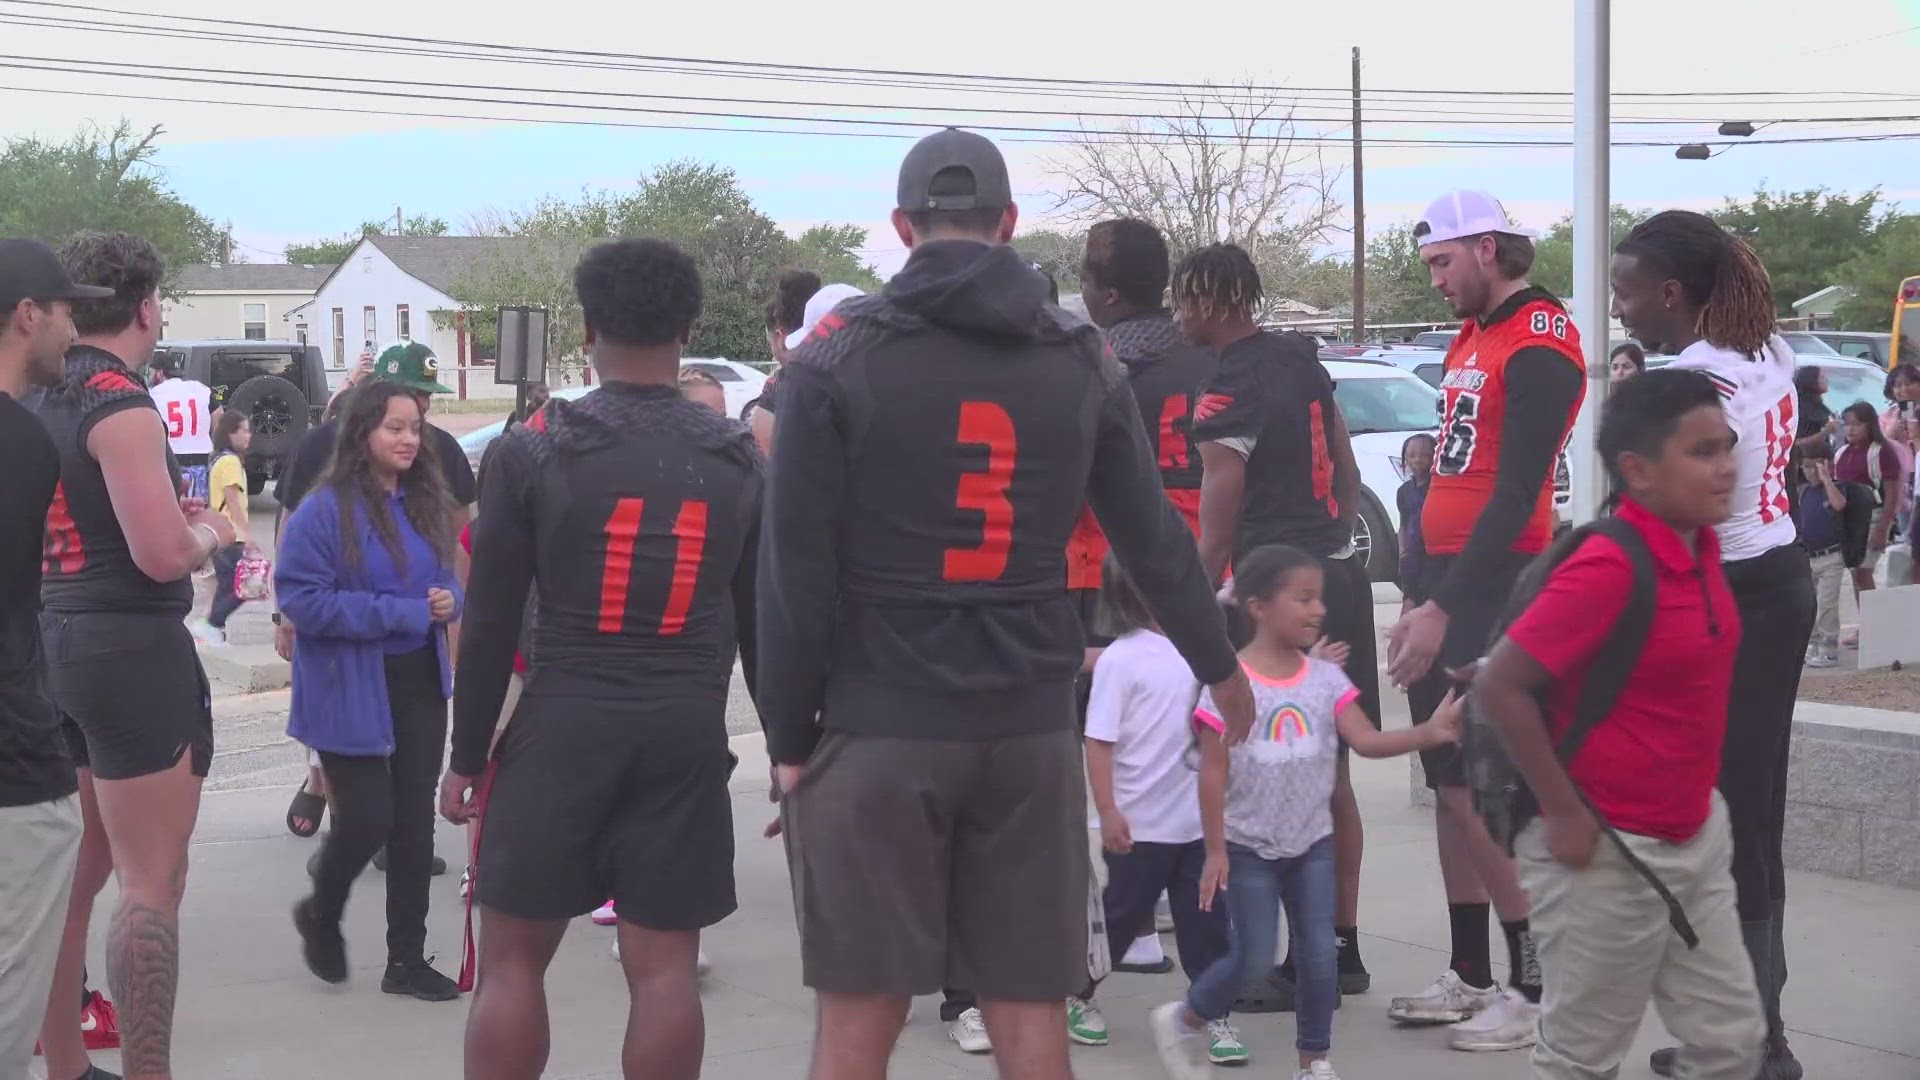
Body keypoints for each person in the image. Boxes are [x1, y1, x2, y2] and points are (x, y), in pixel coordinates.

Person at [757, 127, 1252, 1080]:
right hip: (1026, 728)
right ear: (1011, 223)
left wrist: (787, 738)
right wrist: (1218, 663)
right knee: (1031, 1016)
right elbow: (1151, 539)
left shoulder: (835, 361)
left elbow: (793, 573)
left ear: (903, 227)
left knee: (859, 1024)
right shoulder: (1078, 353)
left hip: (878, 721)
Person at [439, 239, 762, 1080]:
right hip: (684, 728)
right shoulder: (736, 459)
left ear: (586, 328)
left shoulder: (535, 449)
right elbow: (767, 622)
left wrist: (466, 756)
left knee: (513, 964)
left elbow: (492, 619)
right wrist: (796, 749)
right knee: (662, 974)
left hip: (562, 722)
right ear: (689, 328)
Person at [1473, 368, 1765, 1080]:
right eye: (1702, 453)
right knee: (1581, 1059)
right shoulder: (1609, 563)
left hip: (1692, 837)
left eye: (1726, 445)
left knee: (1730, 1042)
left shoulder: (1701, 546)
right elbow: (1500, 683)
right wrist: (1567, 817)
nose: (1727, 466)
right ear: (1637, 470)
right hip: (1604, 853)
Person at [1610, 209, 1813, 1080]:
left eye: (1625, 292)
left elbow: (1669, 508)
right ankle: (1755, 1034)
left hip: (1726, 599)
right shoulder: (1764, 350)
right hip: (1779, 580)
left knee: (1720, 826)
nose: (1618, 311)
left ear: (1669, 293)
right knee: (1748, 819)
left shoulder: (1696, 385)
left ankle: (1752, 1045)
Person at [1382, 191, 1584, 1050]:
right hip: (1446, 574)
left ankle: (1532, 986)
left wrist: (1440, 604)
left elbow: (1516, 489)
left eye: (1442, 263)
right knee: (1447, 784)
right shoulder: (1477, 333)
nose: (1434, 281)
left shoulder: (1539, 340)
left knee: (1481, 790)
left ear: (1489, 249)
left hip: (1492, 584)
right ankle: (1470, 972)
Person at [34, 232, 236, 1080]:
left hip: (48, 641)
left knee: (73, 879)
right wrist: (216, 530)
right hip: (126, 647)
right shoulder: (119, 402)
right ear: (147, 308)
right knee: (152, 884)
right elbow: (161, 554)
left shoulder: (34, 396)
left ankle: (69, 1063)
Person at [1153, 544, 1464, 1080]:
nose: (1318, 609)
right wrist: (1214, 849)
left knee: (1319, 957)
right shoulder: (1229, 686)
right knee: (1251, 959)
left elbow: (1364, 742)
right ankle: (1186, 1017)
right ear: (1257, 606)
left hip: (1311, 845)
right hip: (1248, 847)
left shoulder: (1325, 681)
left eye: (1318, 597)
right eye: (1302, 598)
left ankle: (1314, 1061)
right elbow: (1212, 772)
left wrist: (1428, 734)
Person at [1174, 244, 1381, 1009]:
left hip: (1270, 589)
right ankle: (1337, 949)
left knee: (1258, 774)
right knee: (1332, 778)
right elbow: (1351, 476)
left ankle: (1261, 954)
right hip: (1337, 575)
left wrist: (1194, 616)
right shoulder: (1303, 362)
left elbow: (1216, 525)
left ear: (1208, 301)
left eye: (1183, 300)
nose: (1177, 314)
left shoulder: (1232, 383)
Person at [277, 380, 463, 1002]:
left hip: (417, 681)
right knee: (368, 819)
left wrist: (447, 599)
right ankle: (321, 911)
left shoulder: (424, 500)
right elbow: (302, 600)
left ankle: (405, 960)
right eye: (395, 427)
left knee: (414, 824)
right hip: (346, 685)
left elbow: (444, 584)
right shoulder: (323, 510)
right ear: (362, 433)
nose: (410, 438)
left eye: (416, 427)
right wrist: (406, 612)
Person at [274, 345, 475, 867]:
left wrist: (451, 607)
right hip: (344, 645)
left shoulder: (442, 452)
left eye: (426, 401)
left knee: (407, 774)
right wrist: (284, 614)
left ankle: (385, 850)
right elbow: (290, 528)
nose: (419, 417)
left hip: (416, 649)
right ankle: (345, 834)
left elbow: (460, 540)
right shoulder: (321, 446)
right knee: (345, 742)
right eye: (410, 399)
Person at [1068, 555, 1238, 1060]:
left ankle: (1211, 1013)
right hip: (1139, 827)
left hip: (1197, 826)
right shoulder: (1122, 660)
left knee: (1207, 924)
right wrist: (1108, 809)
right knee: (1120, 919)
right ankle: (1078, 994)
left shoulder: (1207, 652)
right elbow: (1098, 741)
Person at [0, 239, 99, 1080]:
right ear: (26, 315)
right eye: (66, 311)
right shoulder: (21, 444)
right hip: (13, 774)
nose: (74, 328)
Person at [188, 410, 255, 646]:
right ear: (230, 434)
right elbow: (233, 500)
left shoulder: (219, 459)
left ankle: (214, 630)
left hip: (223, 535)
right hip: (231, 535)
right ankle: (210, 624)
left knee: (227, 586)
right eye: (244, 430)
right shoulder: (230, 462)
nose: (249, 436)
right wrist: (247, 535)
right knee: (242, 587)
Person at [1834, 401, 1903, 596]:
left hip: (1873, 517)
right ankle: (1866, 620)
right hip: (1850, 520)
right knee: (1856, 573)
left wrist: (1883, 528)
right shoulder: (1842, 453)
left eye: (1856, 424)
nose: (1850, 429)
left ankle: (1874, 619)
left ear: (1869, 425)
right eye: (1846, 424)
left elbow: (1892, 491)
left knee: (1864, 572)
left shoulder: (1880, 451)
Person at [749, 268, 822, 451]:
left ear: (780, 336)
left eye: (770, 343)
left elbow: (763, 453)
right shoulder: (853, 371)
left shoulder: (780, 385)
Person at [1797, 447, 1852, 669]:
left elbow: (1839, 505)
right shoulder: (1804, 492)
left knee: (1827, 604)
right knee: (1809, 603)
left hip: (1831, 557)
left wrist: (1827, 478)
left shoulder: (1837, 487)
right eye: (1808, 466)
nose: (1812, 471)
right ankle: (1813, 643)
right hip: (1809, 557)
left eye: (1817, 465)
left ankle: (1829, 649)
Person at [146, 352, 216, 500]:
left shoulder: (152, 395)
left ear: (159, 373)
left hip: (171, 458)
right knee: (198, 509)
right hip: (202, 457)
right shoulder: (200, 389)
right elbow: (219, 416)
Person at [1394, 433, 1436, 605]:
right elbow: (1403, 523)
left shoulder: (1437, 487)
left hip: (1432, 556)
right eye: (1411, 455)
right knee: (1410, 600)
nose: (1417, 460)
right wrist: (1403, 553)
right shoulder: (1403, 491)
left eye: (1425, 455)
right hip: (1412, 556)